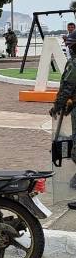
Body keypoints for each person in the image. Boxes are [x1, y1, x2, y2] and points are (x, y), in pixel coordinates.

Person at [51, 32, 76, 193]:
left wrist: (57, 106)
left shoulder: (74, 64)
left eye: (71, 45)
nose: (69, 48)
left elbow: (67, 87)